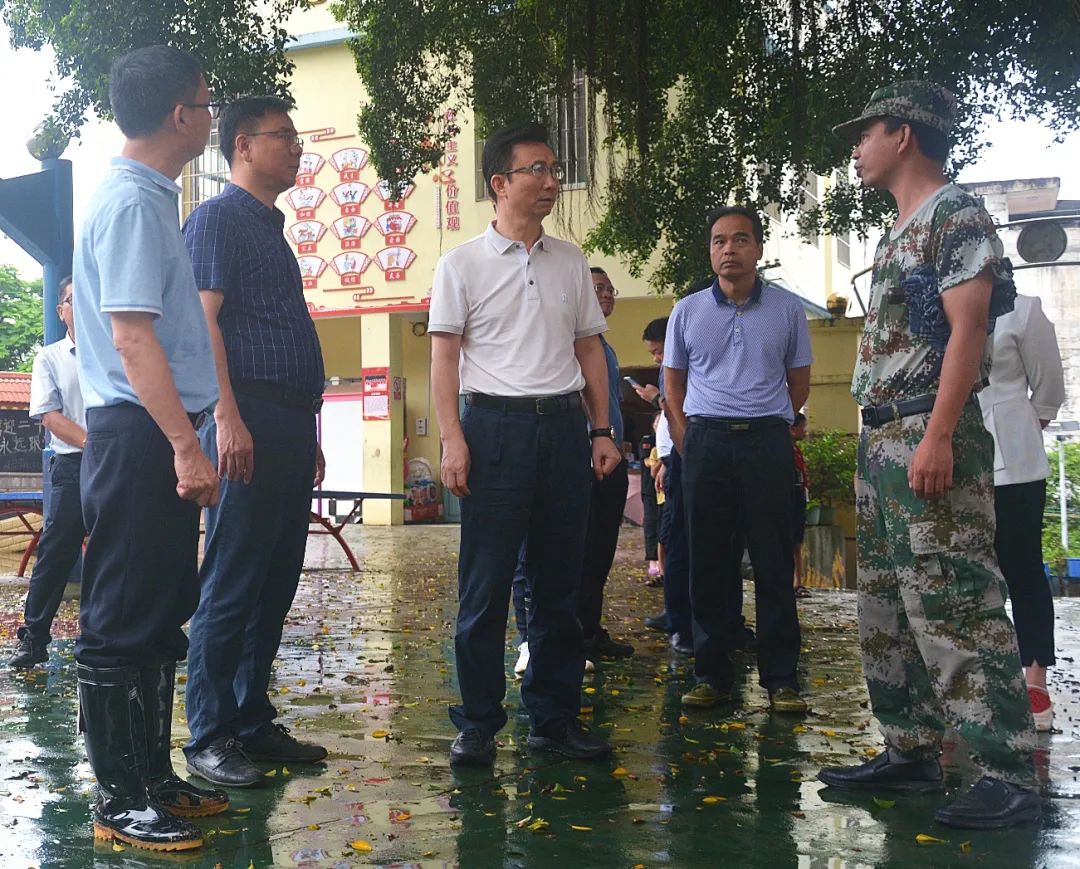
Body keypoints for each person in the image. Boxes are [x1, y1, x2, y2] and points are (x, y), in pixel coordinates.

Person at [818, 81, 1040, 830]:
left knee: (954, 600)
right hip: (882, 434)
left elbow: (967, 328)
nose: (856, 148)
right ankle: (910, 749)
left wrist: (941, 433)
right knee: (885, 603)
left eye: (865, 132)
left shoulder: (955, 212)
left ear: (903, 134)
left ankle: (1007, 769)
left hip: (924, 430)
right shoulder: (900, 226)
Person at [72, 45, 227, 852]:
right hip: (141, 437)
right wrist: (184, 445)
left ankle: (152, 776)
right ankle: (117, 798)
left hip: (153, 434)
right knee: (122, 619)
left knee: (162, 611)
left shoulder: (145, 197)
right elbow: (134, 340)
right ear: (180, 115)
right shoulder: (133, 204)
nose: (211, 115)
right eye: (207, 103)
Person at [430, 121, 622, 766]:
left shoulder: (570, 261)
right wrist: (453, 438)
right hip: (494, 431)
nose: (551, 180)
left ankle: (553, 719)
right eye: (535, 169)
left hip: (565, 428)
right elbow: (443, 360)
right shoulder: (460, 265)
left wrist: (602, 429)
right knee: (483, 588)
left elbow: (588, 349)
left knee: (558, 585)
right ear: (498, 183)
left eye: (553, 168)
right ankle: (479, 721)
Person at [182, 96, 329, 788]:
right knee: (233, 579)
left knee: (275, 578)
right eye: (284, 138)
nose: (297, 149)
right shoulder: (216, 218)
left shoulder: (272, 231)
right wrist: (227, 416)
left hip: (290, 422)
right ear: (243, 144)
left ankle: (250, 718)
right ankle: (209, 732)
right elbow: (204, 324)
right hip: (248, 420)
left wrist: (313, 430)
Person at [665, 205, 812, 713]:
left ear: (758, 249)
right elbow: (673, 384)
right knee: (708, 562)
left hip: (766, 444)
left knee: (772, 561)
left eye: (740, 240)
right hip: (706, 443)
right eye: (719, 241)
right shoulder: (687, 311)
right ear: (710, 251)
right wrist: (687, 440)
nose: (729, 250)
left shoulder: (789, 310)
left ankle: (782, 680)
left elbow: (799, 382)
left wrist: (770, 420)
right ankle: (712, 675)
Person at [978, 293, 1065, 732]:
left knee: (1023, 567)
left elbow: (1049, 386)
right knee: (967, 573)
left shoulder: (1024, 309)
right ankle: (977, 679)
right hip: (954, 454)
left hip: (1016, 457)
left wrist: (1023, 422)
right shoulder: (938, 303)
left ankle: (1034, 678)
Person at [9, 277, 87, 669]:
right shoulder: (50, 358)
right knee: (56, 551)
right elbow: (49, 416)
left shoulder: (119, 352)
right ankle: (34, 637)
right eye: (75, 299)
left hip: (118, 467)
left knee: (118, 549)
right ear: (62, 310)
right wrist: (96, 445)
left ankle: (104, 636)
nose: (83, 305)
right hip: (73, 465)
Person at [577, 268, 633, 659]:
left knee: (601, 550)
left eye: (609, 289)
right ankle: (574, 634)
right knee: (581, 550)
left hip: (611, 456)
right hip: (584, 456)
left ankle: (590, 629)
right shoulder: (576, 342)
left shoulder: (605, 347)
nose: (606, 295)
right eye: (597, 288)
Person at [636, 317, 694, 656]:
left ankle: (681, 620)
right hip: (671, 460)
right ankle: (676, 616)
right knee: (671, 538)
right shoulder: (669, 367)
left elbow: (676, 411)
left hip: (681, 459)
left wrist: (657, 399)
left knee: (677, 540)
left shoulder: (679, 365)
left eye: (658, 351)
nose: (657, 358)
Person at [790, 412, 811, 598]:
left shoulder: (796, 450)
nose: (805, 431)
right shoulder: (783, 450)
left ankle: (798, 582)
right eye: (802, 427)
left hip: (798, 496)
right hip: (787, 497)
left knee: (797, 542)